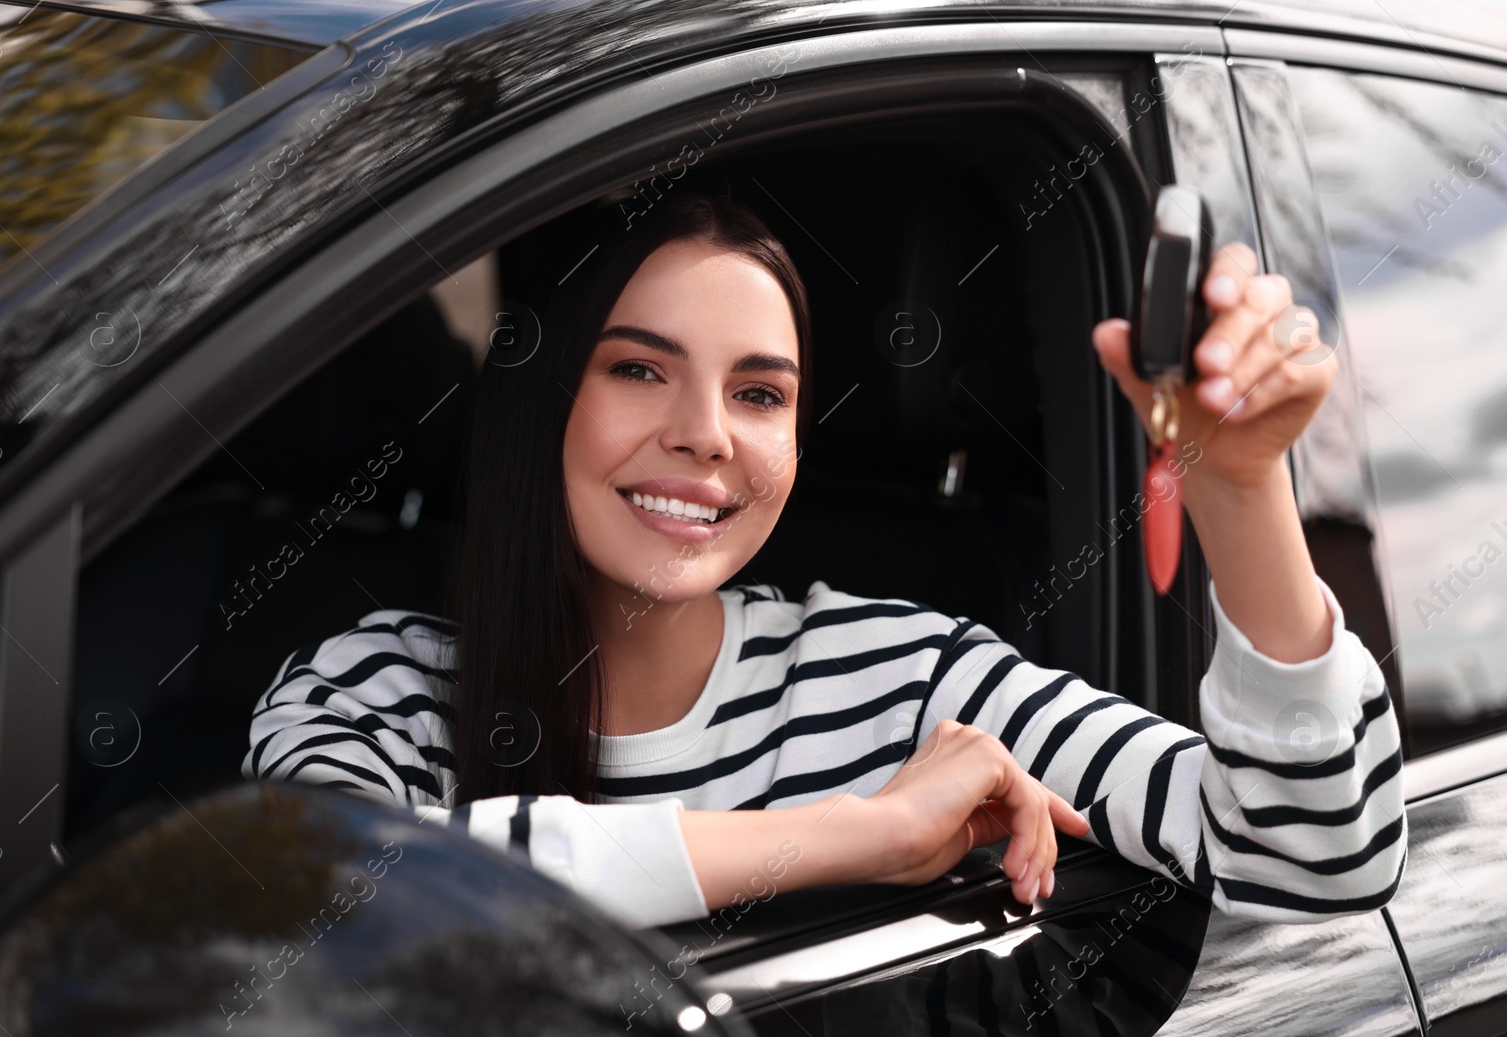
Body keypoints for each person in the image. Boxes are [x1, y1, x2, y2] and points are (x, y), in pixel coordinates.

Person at [243, 190, 1405, 929]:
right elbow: (331, 906)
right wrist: (867, 832)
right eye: (638, 368)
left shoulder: (904, 674)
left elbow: (1319, 856)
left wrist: (1239, 485)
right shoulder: (374, 691)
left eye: (760, 392)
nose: (707, 433)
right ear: (540, 402)